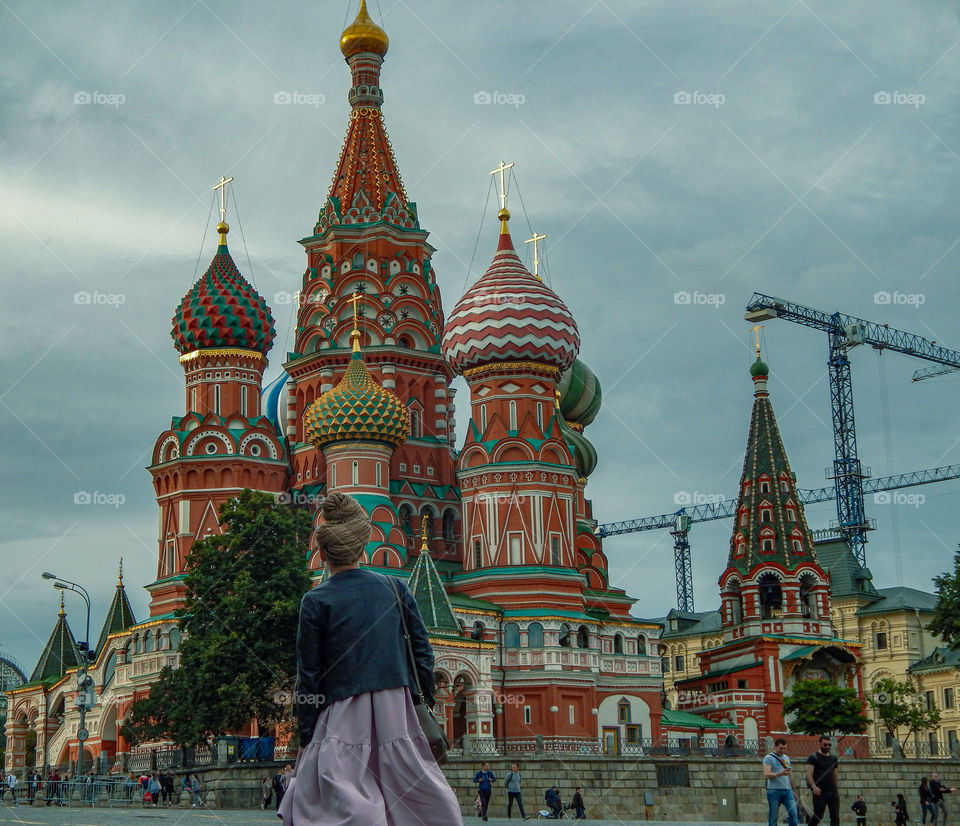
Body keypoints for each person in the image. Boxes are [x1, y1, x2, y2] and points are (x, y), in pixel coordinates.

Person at [278, 491, 464, 826]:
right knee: (416, 794)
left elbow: (308, 674)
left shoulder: (316, 600)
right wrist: (422, 704)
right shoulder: (396, 588)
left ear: (322, 553)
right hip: (396, 709)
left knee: (342, 797)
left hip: (341, 713)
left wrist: (306, 733)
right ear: (363, 545)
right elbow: (422, 653)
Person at [806, 735, 840, 826]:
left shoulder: (833, 758)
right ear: (820, 743)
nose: (827, 747)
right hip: (820, 791)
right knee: (818, 815)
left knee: (835, 816)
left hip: (832, 791)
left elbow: (835, 773)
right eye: (825, 745)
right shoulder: (813, 757)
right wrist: (813, 786)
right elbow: (809, 774)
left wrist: (835, 786)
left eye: (829, 745)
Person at [764, 737, 798, 826]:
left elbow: (790, 774)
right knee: (773, 816)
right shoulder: (768, 758)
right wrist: (780, 774)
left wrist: (794, 790)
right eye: (781, 748)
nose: (783, 750)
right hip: (774, 790)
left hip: (787, 790)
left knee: (793, 813)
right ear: (775, 746)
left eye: (785, 748)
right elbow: (767, 774)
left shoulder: (786, 758)